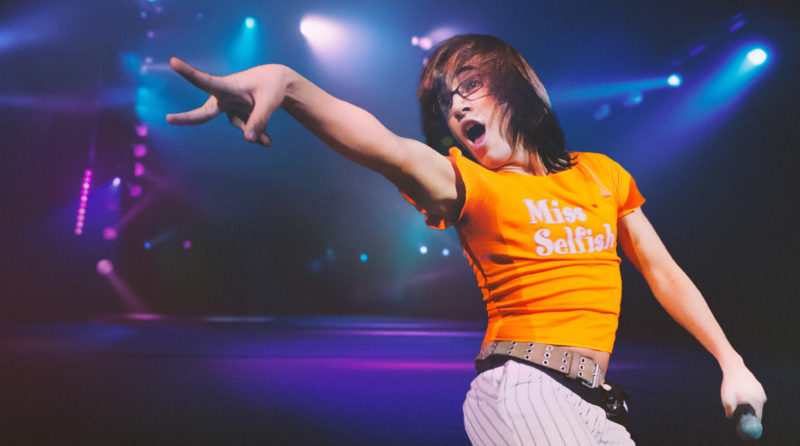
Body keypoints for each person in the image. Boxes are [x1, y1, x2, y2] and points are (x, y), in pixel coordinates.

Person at [166, 34, 766, 445]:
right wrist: (288, 83)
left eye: (471, 86)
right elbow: (388, 149)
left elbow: (663, 271)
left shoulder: (600, 175)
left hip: (594, 402)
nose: (456, 109)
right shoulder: (470, 185)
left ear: (517, 90)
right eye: (445, 104)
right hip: (525, 387)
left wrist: (731, 362)